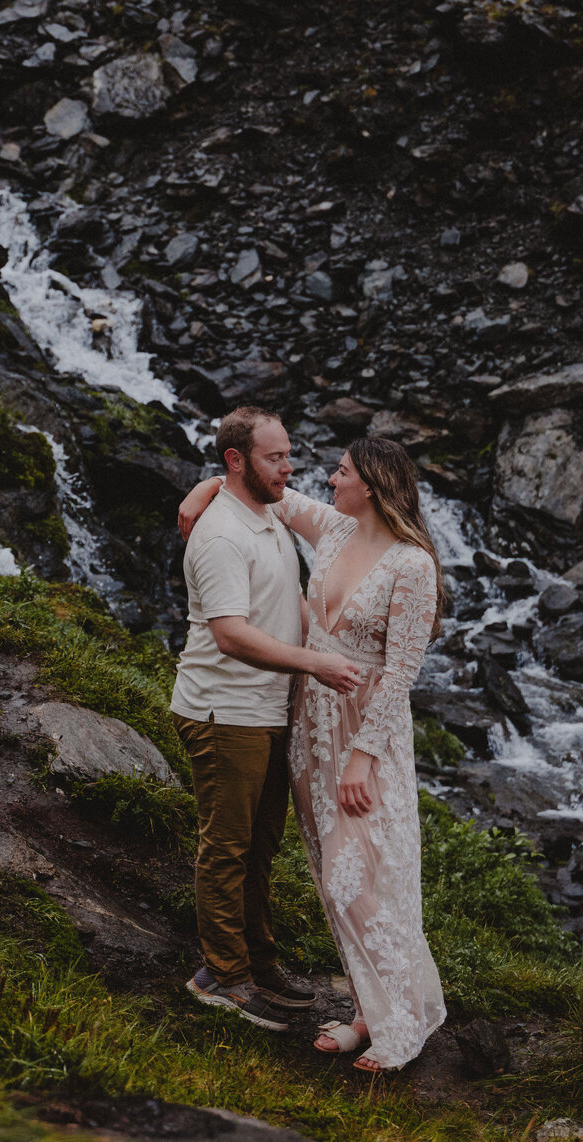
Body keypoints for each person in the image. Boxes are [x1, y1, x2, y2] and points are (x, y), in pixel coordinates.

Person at [181, 436, 447, 1073]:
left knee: (359, 876)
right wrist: (203, 487)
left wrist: (363, 758)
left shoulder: (413, 565)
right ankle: (367, 1012)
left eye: (342, 471)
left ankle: (403, 1025)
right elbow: (261, 487)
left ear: (372, 486)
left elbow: (401, 674)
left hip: (366, 731)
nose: (330, 478)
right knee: (330, 869)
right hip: (311, 724)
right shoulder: (334, 528)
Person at [171, 405, 361, 1033]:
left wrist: (333, 649)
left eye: (288, 454)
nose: (290, 468)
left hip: (265, 709)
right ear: (237, 461)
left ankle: (258, 964)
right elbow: (229, 634)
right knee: (227, 848)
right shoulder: (222, 535)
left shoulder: (269, 509)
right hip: (224, 711)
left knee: (259, 849)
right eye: (275, 457)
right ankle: (222, 977)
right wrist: (316, 663)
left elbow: (289, 599)